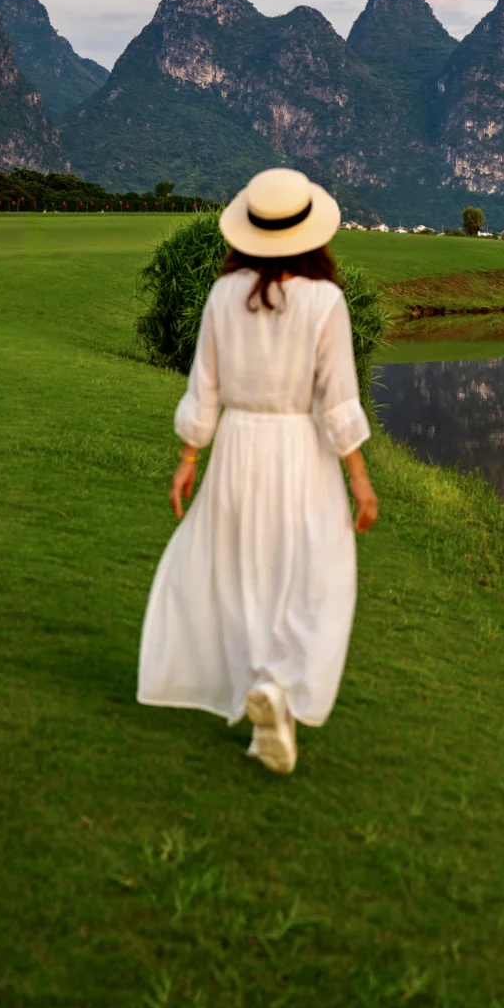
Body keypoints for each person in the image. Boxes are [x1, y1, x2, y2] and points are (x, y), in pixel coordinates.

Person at [137, 168, 378, 774]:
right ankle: (278, 689)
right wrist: (359, 478)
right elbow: (337, 400)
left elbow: (204, 388)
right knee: (312, 575)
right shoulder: (324, 302)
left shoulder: (224, 296)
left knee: (247, 574)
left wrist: (189, 458)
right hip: (302, 450)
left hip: (238, 449)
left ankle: (265, 691)